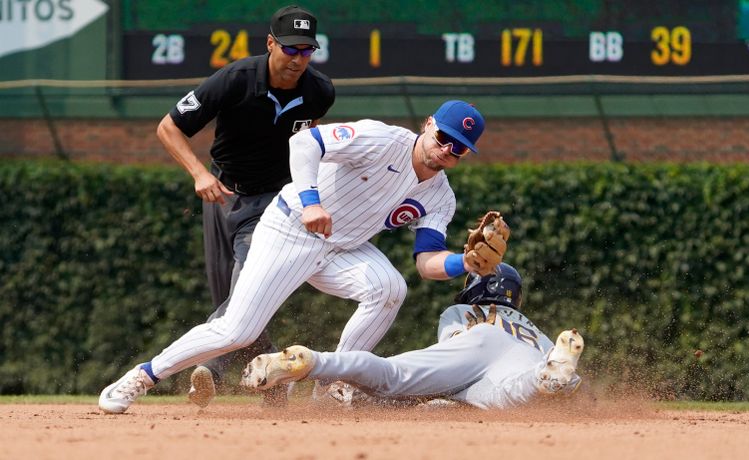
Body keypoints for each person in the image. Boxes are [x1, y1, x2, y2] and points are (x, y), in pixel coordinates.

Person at [98, 99, 499, 414]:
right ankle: (142, 377)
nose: (446, 149)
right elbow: (304, 141)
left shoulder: (440, 196)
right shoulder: (380, 139)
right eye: (442, 136)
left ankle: (331, 384)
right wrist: (310, 201)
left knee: (390, 288)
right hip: (291, 228)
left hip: (343, 248)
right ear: (428, 123)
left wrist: (462, 264)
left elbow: (425, 261)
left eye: (458, 148)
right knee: (238, 331)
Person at [155, 5, 335, 408]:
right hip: (221, 195)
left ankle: (210, 370)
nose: (298, 59)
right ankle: (273, 384)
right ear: (270, 44)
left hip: (271, 204)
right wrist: (200, 174)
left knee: (246, 296)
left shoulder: (319, 91)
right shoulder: (235, 80)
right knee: (239, 298)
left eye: (307, 50)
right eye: (290, 49)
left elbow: (315, 144)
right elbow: (169, 128)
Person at [239, 263, 585, 410]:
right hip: (532, 356)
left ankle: (315, 360)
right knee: (506, 396)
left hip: (478, 340)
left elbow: (454, 365)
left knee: (392, 377)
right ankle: (549, 375)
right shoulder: (533, 329)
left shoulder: (463, 313)